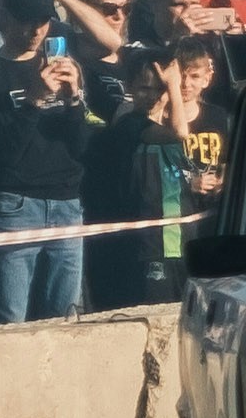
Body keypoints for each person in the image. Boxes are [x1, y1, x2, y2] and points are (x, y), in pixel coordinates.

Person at [0, 13, 102, 324]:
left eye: (43, 22)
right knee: (9, 317)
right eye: (26, 19)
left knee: (65, 317)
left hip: (67, 201)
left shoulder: (67, 68)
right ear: (6, 18)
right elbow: (7, 153)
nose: (35, 30)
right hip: (16, 203)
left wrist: (73, 100)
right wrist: (34, 99)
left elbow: (81, 148)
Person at [85, 38, 230, 307]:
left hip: (183, 241)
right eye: (144, 89)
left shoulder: (181, 122)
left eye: (159, 88)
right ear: (129, 88)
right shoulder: (130, 125)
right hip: (150, 246)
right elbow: (180, 132)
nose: (152, 96)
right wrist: (173, 86)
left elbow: (175, 174)